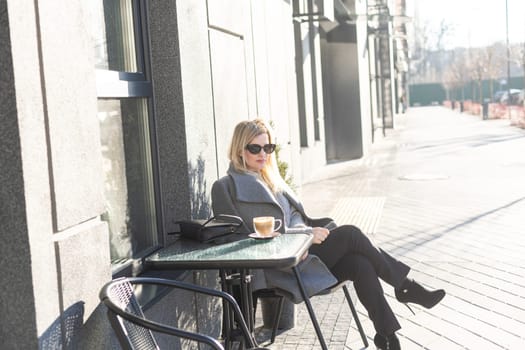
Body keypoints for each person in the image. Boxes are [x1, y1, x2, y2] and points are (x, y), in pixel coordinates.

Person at [211, 119, 445, 350]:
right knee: (352, 234)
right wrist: (302, 237)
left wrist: (303, 233)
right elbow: (233, 238)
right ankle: (405, 286)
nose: (264, 154)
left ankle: (388, 337)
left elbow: (294, 215)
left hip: (301, 251)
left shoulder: (271, 178)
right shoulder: (226, 186)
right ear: (240, 149)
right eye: (256, 148)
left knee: (360, 263)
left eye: (268, 147)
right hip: (276, 266)